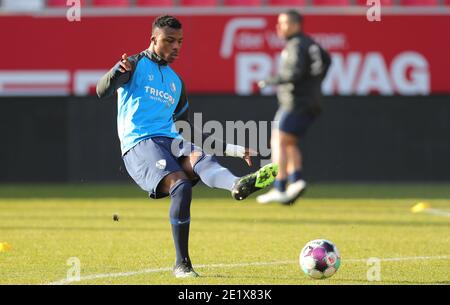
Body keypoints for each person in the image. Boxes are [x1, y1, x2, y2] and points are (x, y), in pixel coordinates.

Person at [96, 15, 278, 278]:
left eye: (180, 42)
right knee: (181, 185)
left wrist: (236, 150)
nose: (176, 47)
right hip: (140, 143)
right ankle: (182, 264)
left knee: (201, 158)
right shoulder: (133, 64)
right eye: (169, 40)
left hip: (170, 140)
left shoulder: (175, 82)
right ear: (153, 39)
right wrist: (115, 72)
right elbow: (102, 90)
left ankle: (237, 184)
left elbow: (186, 129)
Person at [256, 10, 331, 205]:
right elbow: (327, 60)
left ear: (296, 25)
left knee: (278, 139)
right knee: (288, 141)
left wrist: (270, 80)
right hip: (308, 101)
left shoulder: (296, 44)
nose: (279, 27)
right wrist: (314, 84)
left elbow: (294, 73)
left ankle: (280, 186)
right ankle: (296, 181)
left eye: (284, 23)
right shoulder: (308, 42)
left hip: (296, 102)